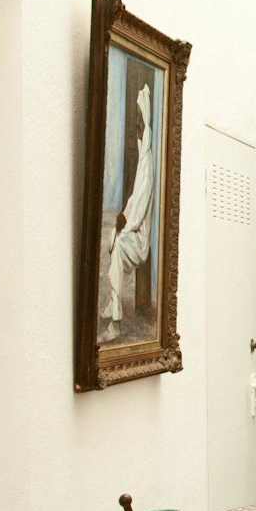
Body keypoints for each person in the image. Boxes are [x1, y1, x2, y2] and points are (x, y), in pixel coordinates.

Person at [104, 83, 156, 339]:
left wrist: (125, 220)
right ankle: (111, 302)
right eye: (136, 123)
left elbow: (140, 207)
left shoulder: (147, 166)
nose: (137, 128)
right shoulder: (142, 161)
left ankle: (115, 321)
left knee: (118, 248)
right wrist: (121, 219)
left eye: (140, 123)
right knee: (112, 238)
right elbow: (134, 201)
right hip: (132, 229)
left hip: (139, 239)